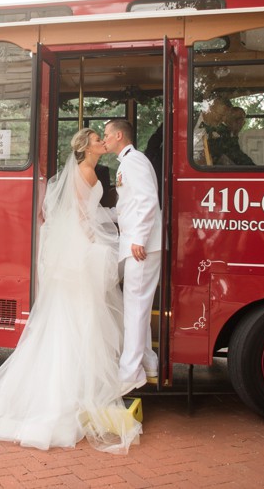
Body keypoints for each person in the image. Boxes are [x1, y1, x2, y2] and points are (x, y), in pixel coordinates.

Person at [0, 128, 140, 453]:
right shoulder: (84, 171)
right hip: (81, 249)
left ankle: (79, 391)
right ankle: (70, 397)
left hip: (79, 249)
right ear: (87, 147)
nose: (102, 143)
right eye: (98, 140)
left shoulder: (93, 170)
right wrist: (95, 242)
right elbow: (82, 215)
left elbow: (90, 211)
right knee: (81, 317)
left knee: (80, 318)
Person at [102, 119, 163, 395]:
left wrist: (139, 237)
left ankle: (129, 373)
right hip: (137, 243)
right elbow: (128, 207)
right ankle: (148, 363)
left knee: (135, 308)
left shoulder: (134, 161)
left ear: (118, 135)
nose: (104, 139)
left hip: (141, 246)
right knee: (138, 307)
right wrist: (98, 215)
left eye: (106, 135)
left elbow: (148, 200)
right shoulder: (128, 161)